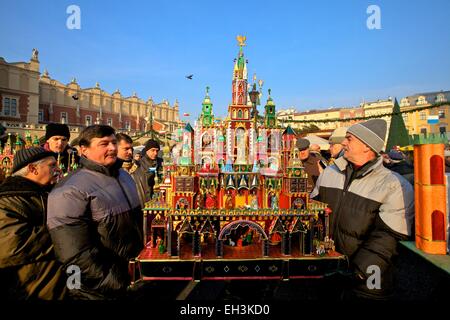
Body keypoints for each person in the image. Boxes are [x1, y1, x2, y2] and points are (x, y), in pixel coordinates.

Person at [311, 119, 414, 300]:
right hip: (325, 272)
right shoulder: (329, 173)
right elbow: (313, 213)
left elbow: (387, 238)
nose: (343, 142)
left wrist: (357, 272)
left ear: (367, 146)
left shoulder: (394, 185)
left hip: (365, 283)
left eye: (349, 139)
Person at [46, 125, 143, 300]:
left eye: (114, 142)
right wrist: (112, 282)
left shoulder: (124, 176)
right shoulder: (70, 189)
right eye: (104, 144)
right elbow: (73, 253)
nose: (112, 148)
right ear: (84, 150)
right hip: (99, 289)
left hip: (133, 277)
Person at [0, 147, 67, 300]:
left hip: (61, 287)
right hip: (31, 290)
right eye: (52, 165)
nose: (58, 169)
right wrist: (69, 232)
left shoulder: (52, 194)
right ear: (32, 169)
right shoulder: (7, 201)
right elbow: (13, 247)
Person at [132, 139, 163, 205]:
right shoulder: (140, 164)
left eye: (157, 151)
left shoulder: (161, 162)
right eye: (153, 150)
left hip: (159, 199)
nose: (155, 153)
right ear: (147, 151)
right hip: (145, 199)